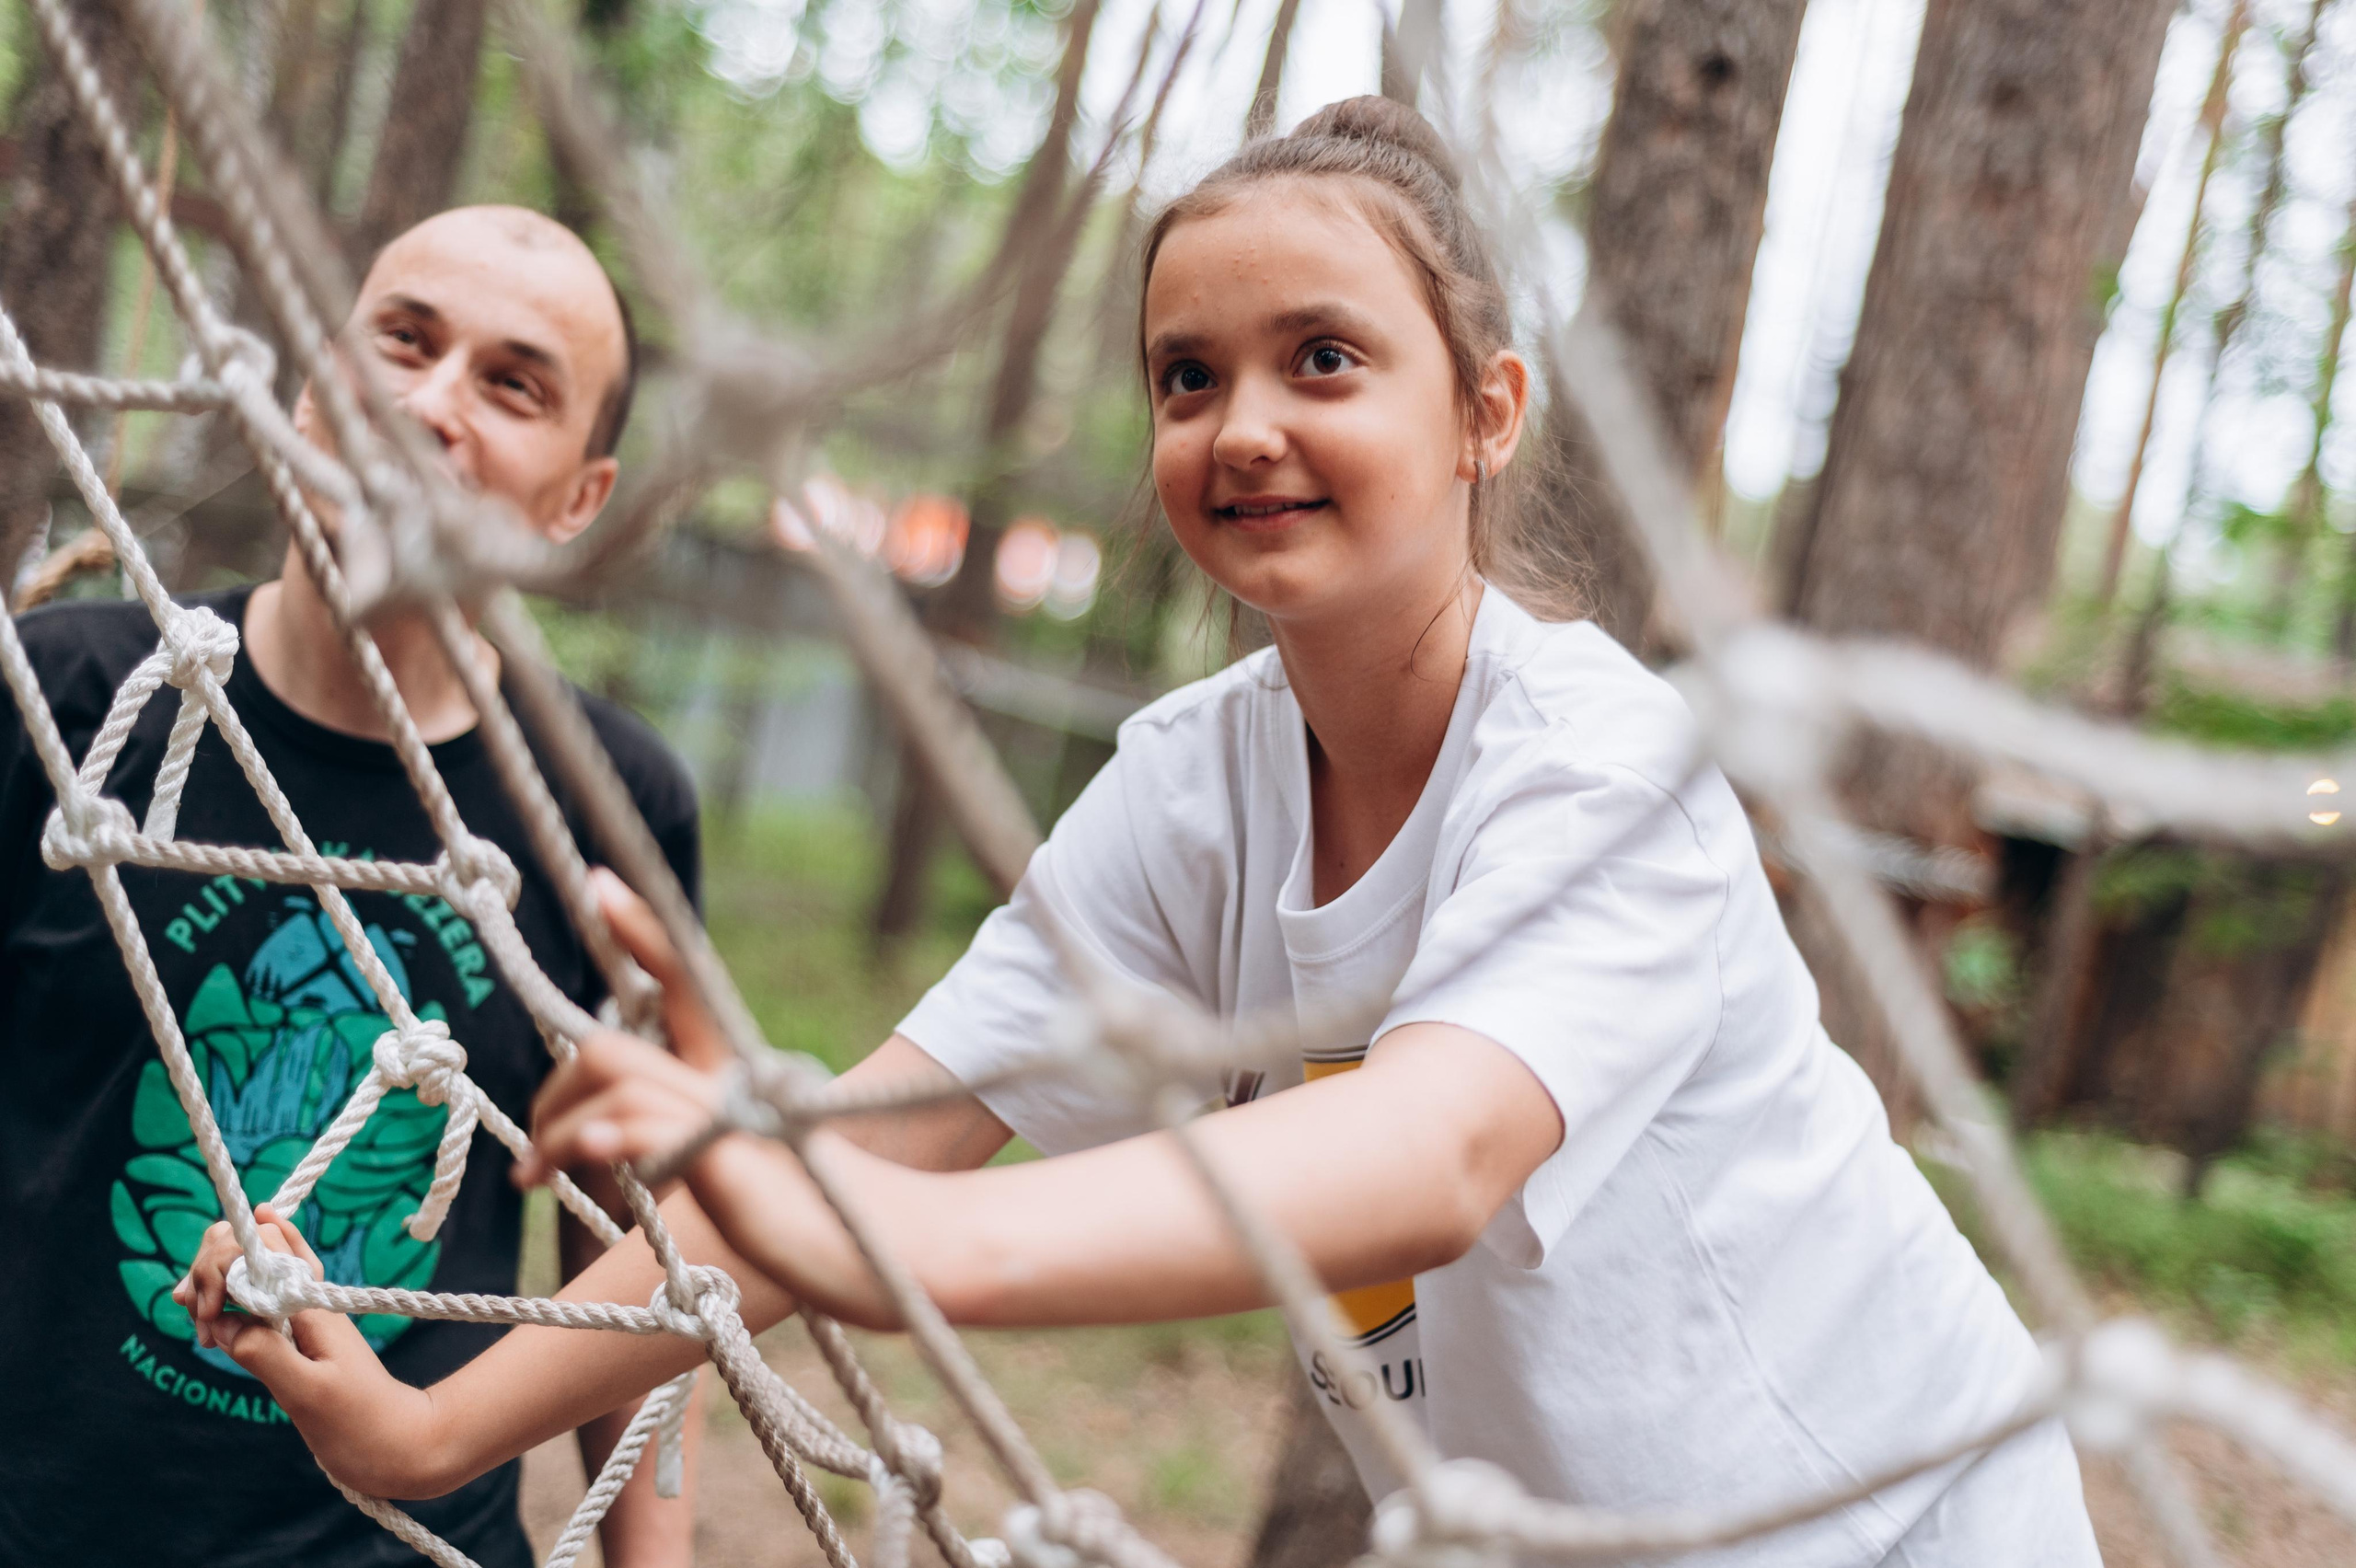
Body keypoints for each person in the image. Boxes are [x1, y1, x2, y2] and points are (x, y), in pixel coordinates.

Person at [186, 103, 2101, 1564]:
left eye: (1322, 361)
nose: (1242, 425)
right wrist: (435, 1434)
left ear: (1484, 415)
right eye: (1189, 377)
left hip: (1894, 1522)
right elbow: (853, 1143)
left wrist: (878, 1229)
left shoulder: (1603, 761)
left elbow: (1425, 1152)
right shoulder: (1198, 785)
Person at [0, 205, 705, 1568]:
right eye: (403, 342)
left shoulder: (611, 804)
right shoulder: (67, 702)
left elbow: (630, 1260)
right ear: (315, 385)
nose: (428, 407)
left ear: (577, 500)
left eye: (512, 384)